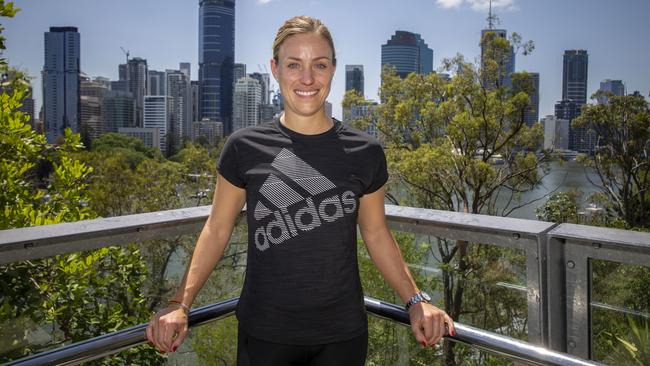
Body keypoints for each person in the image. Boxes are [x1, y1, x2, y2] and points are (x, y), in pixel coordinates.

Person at [146, 15, 455, 365]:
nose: (307, 79)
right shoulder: (243, 147)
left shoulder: (366, 152)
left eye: (319, 65)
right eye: (294, 65)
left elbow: (377, 232)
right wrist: (179, 304)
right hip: (264, 333)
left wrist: (416, 301)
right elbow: (216, 230)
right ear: (275, 68)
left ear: (333, 69)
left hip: (342, 336)